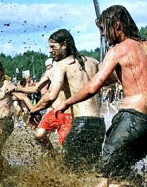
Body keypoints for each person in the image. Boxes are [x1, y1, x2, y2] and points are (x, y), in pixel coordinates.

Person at [55, 5, 147, 187]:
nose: (105, 36)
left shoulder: (119, 49)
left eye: (105, 30)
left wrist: (66, 102)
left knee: (113, 182)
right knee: (109, 176)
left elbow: (94, 86)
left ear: (117, 25)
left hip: (130, 120)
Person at [28, 29, 105, 171]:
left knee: (70, 171)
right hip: (99, 123)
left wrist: (33, 111)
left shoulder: (62, 65)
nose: (50, 51)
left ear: (64, 45)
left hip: (81, 122)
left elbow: (51, 96)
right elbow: (110, 80)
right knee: (91, 168)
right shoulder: (93, 62)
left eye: (53, 47)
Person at [0, 60, 31, 179]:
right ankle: (8, 170)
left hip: (5, 121)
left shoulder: (7, 84)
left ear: (1, 72)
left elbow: (22, 96)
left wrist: (30, 110)